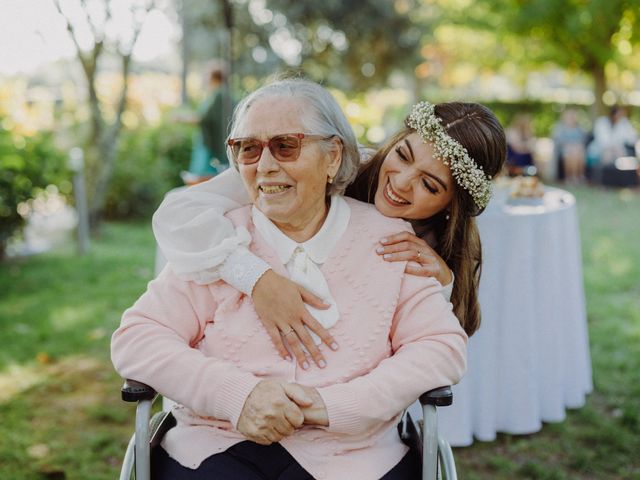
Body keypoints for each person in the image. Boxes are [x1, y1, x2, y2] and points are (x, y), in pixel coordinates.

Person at [111, 78, 468, 479]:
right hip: (218, 443)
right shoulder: (216, 241)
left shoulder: (391, 241)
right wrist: (237, 396)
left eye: (286, 146)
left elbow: (440, 345)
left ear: (333, 156)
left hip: (353, 455)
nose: (265, 166)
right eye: (248, 148)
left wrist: (336, 405)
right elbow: (138, 338)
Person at [152, 89, 506, 368]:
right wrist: (257, 278)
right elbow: (178, 211)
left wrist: (443, 284)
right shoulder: (329, 163)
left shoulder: (435, 247)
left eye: (429, 185)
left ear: (451, 205)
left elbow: (439, 339)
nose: (400, 182)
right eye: (403, 156)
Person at [180, 62, 234, 185]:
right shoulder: (224, 94)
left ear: (213, 77)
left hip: (211, 147)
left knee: (204, 180)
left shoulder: (218, 94)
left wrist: (181, 118)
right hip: (217, 145)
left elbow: (203, 118)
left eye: (207, 74)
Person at [552, 108, 587, 184]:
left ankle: (579, 176)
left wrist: (576, 146)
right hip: (564, 149)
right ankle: (570, 177)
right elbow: (558, 140)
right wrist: (570, 145)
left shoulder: (579, 128)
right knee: (570, 151)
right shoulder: (561, 127)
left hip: (577, 150)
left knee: (577, 151)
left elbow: (583, 140)